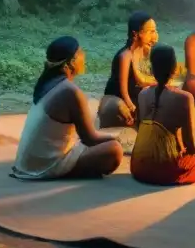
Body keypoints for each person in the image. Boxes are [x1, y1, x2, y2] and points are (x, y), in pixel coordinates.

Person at [11, 37, 124, 180]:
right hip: (45, 166)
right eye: (80, 53)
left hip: (28, 164)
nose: (84, 56)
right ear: (70, 63)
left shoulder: (48, 83)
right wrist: (118, 138)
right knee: (114, 150)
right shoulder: (70, 91)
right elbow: (90, 138)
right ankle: (71, 171)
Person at [131, 44, 195, 185]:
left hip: (138, 166)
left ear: (151, 70)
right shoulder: (184, 98)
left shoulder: (142, 94)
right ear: (175, 69)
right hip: (162, 170)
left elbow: (147, 130)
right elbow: (190, 146)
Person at [99, 11, 159, 128]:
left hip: (135, 92)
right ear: (136, 34)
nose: (155, 35)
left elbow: (142, 79)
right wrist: (132, 107)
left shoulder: (143, 50)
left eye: (155, 31)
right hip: (120, 96)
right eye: (151, 31)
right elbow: (123, 91)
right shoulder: (125, 56)